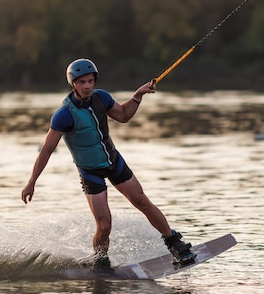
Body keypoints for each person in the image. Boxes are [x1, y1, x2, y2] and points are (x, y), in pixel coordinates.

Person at [21, 58, 194, 269]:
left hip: (113, 161)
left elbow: (123, 115)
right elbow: (47, 150)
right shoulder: (64, 115)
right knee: (104, 224)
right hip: (90, 171)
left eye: (90, 81)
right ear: (73, 84)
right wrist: (32, 182)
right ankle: (100, 261)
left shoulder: (101, 98)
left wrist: (137, 96)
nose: (86, 86)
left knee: (141, 201)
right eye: (81, 82)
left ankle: (174, 242)